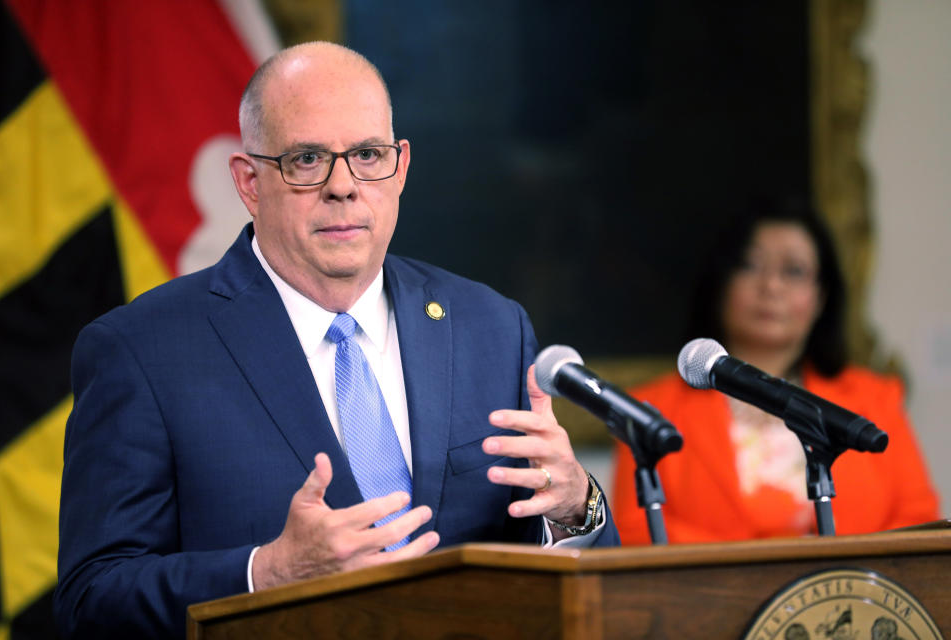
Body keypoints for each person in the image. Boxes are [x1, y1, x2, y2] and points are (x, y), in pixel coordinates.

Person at [54, 42, 619, 638]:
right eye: (306, 160)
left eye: (367, 154)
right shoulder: (141, 350)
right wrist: (266, 573)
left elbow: (581, 585)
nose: (343, 186)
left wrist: (573, 507)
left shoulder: (490, 326)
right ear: (249, 183)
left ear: (400, 168)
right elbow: (91, 601)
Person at [611, 201, 939, 544]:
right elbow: (635, 531)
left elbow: (918, 521)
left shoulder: (875, 398)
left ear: (820, 297)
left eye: (794, 271)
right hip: (711, 596)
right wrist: (762, 563)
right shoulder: (650, 407)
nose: (771, 287)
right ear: (721, 284)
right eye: (750, 266)